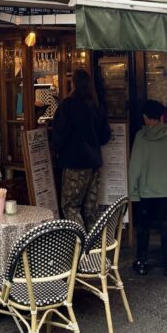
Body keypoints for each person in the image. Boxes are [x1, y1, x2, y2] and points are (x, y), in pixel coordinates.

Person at [128, 100, 167, 277]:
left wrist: (132, 192)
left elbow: (135, 167)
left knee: (143, 228)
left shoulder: (140, 137)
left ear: (145, 117)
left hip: (146, 191)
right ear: (161, 116)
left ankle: (142, 263)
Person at [52, 68, 111, 229]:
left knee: (70, 206)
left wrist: (56, 150)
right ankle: (95, 246)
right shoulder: (96, 104)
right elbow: (105, 135)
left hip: (75, 164)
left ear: (73, 84)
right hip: (94, 164)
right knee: (90, 208)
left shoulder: (69, 105)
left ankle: (79, 247)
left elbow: (60, 134)